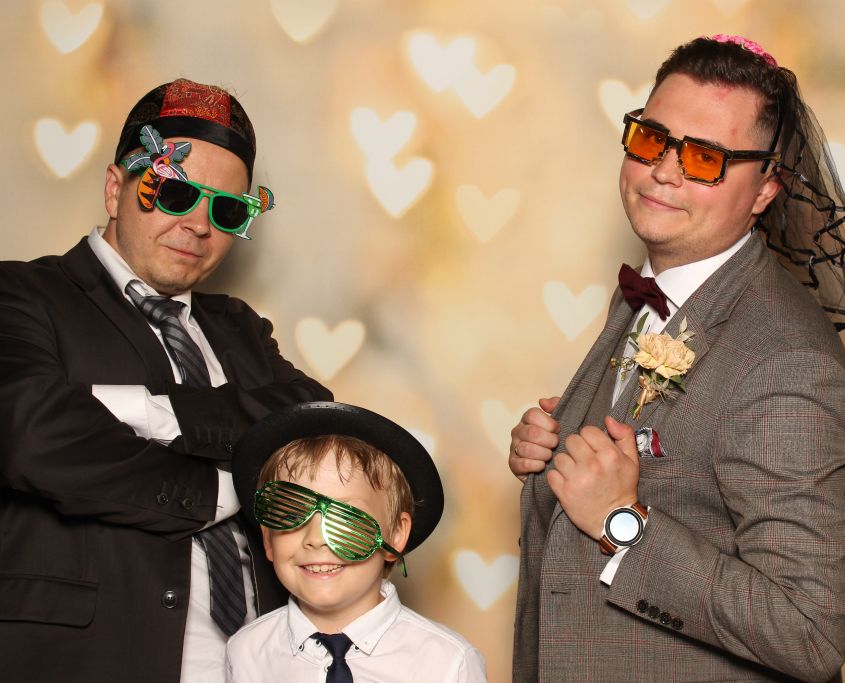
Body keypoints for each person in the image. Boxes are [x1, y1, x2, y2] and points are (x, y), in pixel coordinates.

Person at [509, 35, 845, 682]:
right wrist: (554, 449)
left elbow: (810, 631)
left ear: (765, 188)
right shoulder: (650, 291)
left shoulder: (790, 362)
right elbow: (660, 458)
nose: (665, 171)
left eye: (706, 157)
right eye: (653, 138)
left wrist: (622, 523)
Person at [0, 79, 332, 681]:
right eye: (176, 193)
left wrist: (157, 414)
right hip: (91, 660)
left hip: (257, 662)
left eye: (225, 209)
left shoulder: (238, 327)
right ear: (115, 189)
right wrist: (223, 488)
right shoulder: (21, 295)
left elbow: (313, 417)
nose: (199, 225)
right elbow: (34, 436)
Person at [226, 401, 487, 682]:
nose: (315, 539)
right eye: (291, 514)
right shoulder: (246, 653)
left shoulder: (449, 664)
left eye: (346, 518)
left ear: (396, 535)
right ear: (268, 537)